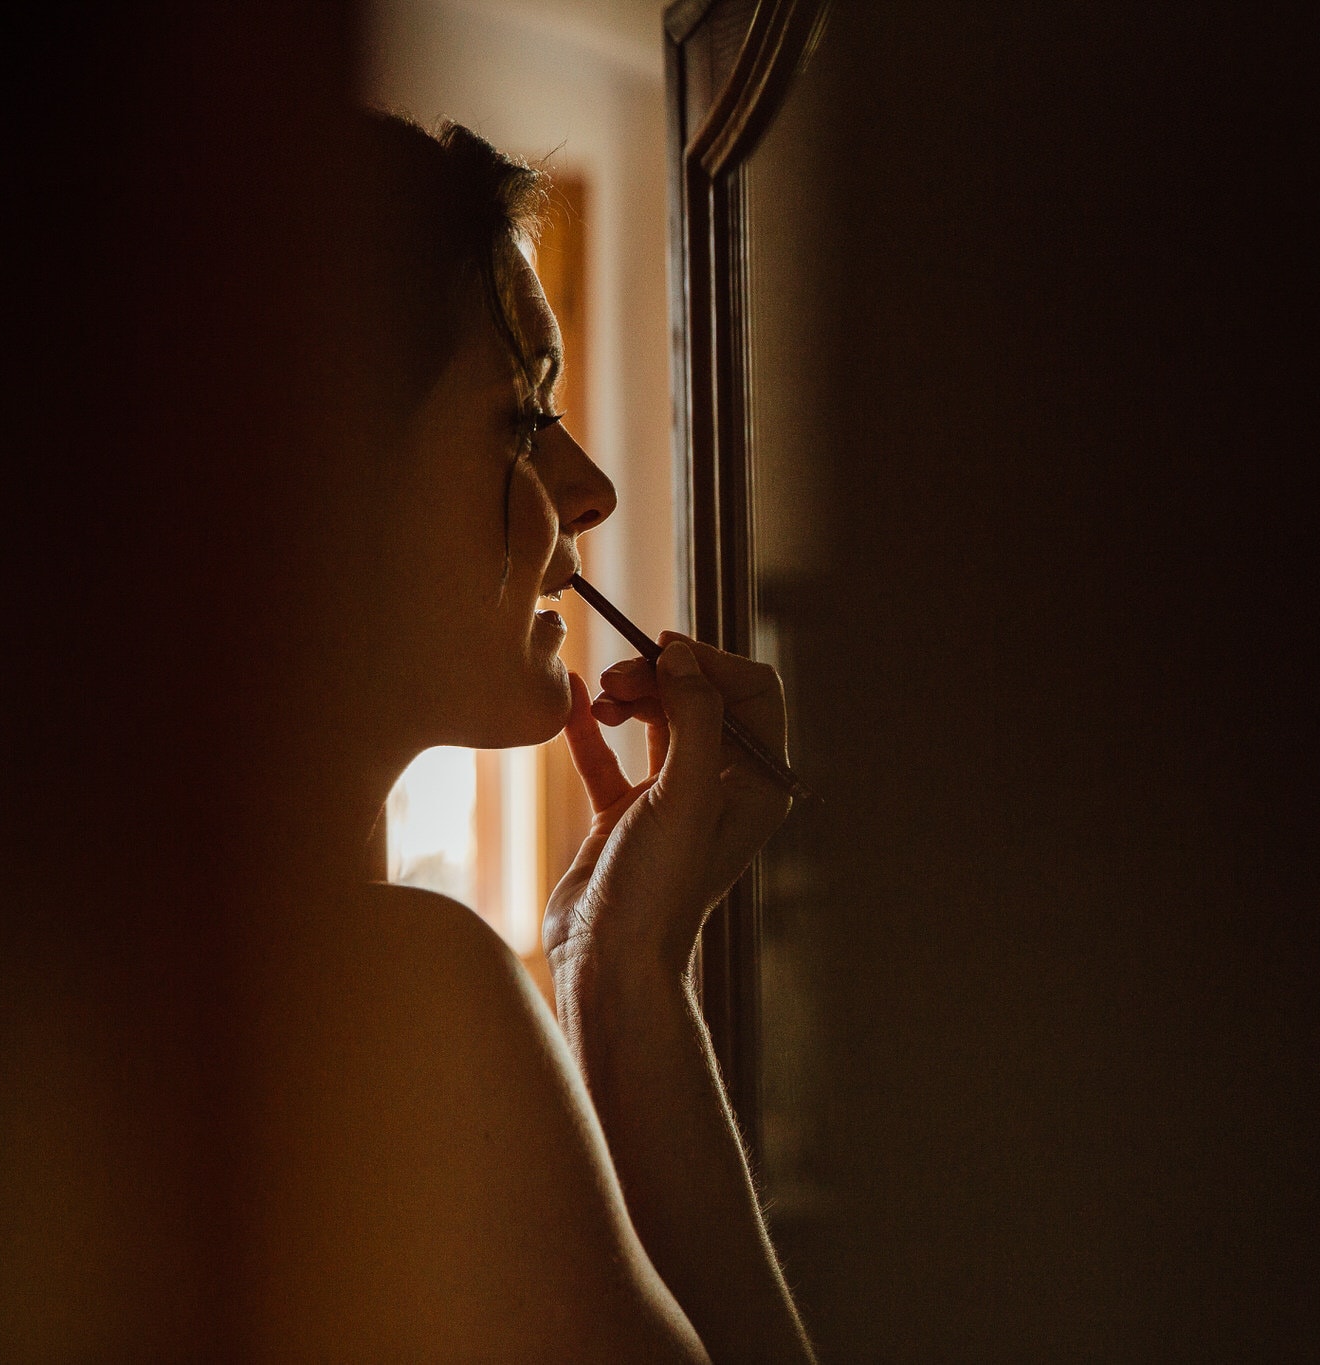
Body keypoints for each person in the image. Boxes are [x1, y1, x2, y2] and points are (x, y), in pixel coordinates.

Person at [238, 113, 815, 1361]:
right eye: (521, 417)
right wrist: (632, 993)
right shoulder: (391, 995)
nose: (589, 488)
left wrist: (614, 963)